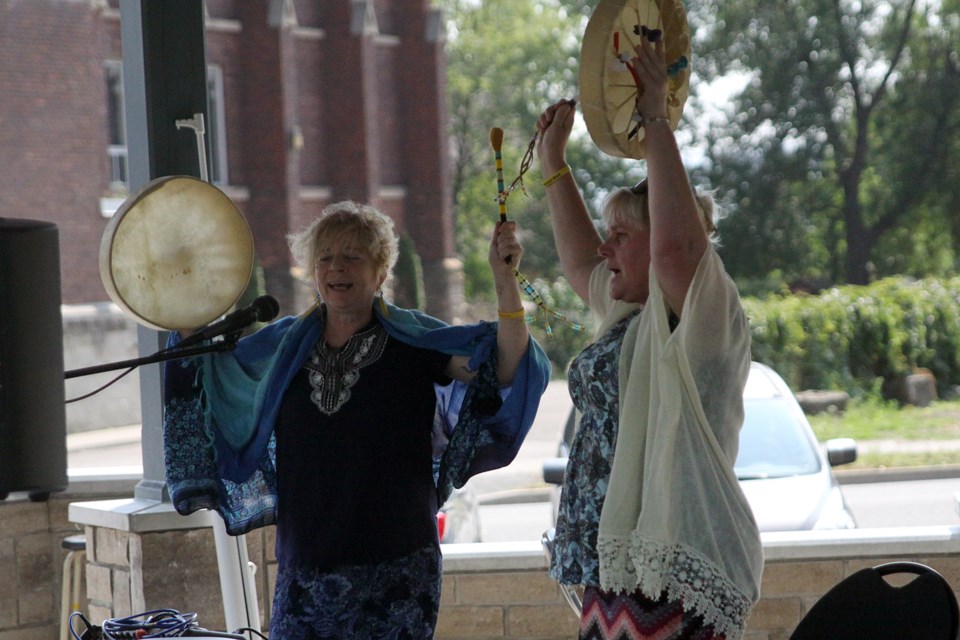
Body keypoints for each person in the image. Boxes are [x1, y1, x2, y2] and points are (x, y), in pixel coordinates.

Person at [161, 200, 550, 639]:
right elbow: (206, 372)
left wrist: (505, 283)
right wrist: (180, 299)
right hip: (305, 564)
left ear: (380, 271)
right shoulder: (282, 346)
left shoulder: (417, 341)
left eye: (352, 256)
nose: (336, 267)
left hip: (399, 566)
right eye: (324, 257)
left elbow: (506, 366)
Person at [535, 28, 763, 640]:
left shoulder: (699, 315)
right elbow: (583, 261)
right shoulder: (627, 318)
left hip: (675, 567)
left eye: (623, 236)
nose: (607, 248)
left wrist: (657, 119)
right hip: (616, 572)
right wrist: (554, 165)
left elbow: (673, 253)